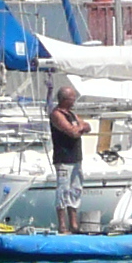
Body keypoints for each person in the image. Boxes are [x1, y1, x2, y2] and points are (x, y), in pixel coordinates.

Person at [48, 83, 89, 233]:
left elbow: (86, 126)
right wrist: (79, 128)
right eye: (72, 98)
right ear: (65, 99)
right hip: (63, 158)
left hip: (76, 157)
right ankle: (62, 225)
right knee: (63, 190)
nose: (74, 100)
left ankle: (74, 224)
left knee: (76, 189)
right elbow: (71, 132)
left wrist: (80, 128)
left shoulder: (72, 114)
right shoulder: (57, 114)